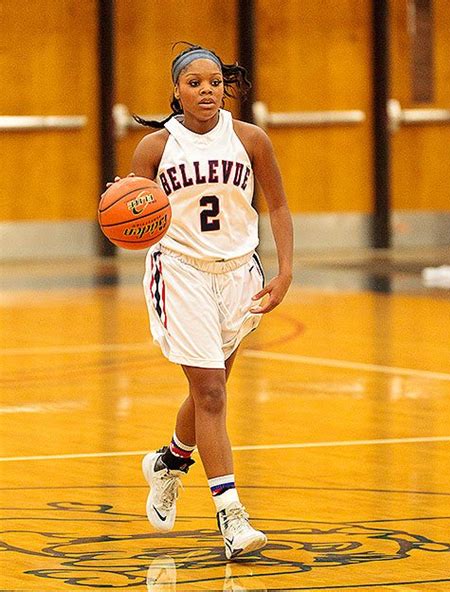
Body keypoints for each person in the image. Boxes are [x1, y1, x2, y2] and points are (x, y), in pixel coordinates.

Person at [126, 43, 293, 560]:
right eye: (195, 83)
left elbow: (280, 206)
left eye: (215, 82)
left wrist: (285, 272)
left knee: (210, 392)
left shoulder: (251, 139)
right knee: (213, 394)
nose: (207, 91)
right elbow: (128, 220)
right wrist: (122, 206)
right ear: (176, 91)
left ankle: (170, 463)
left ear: (226, 86)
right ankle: (231, 517)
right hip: (180, 274)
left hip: (240, 272)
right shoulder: (155, 147)